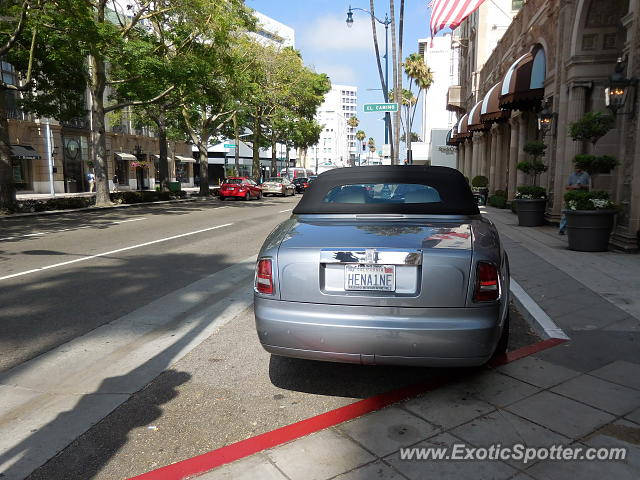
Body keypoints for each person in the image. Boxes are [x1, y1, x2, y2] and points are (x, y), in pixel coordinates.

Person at [559, 166, 590, 235]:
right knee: (566, 211)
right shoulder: (571, 175)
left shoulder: (586, 175)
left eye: (579, 167)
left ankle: (580, 229)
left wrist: (582, 186)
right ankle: (562, 229)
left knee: (581, 213)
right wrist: (574, 187)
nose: (577, 168)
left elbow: (590, 186)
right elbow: (567, 186)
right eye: (576, 167)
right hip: (572, 196)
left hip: (583, 197)